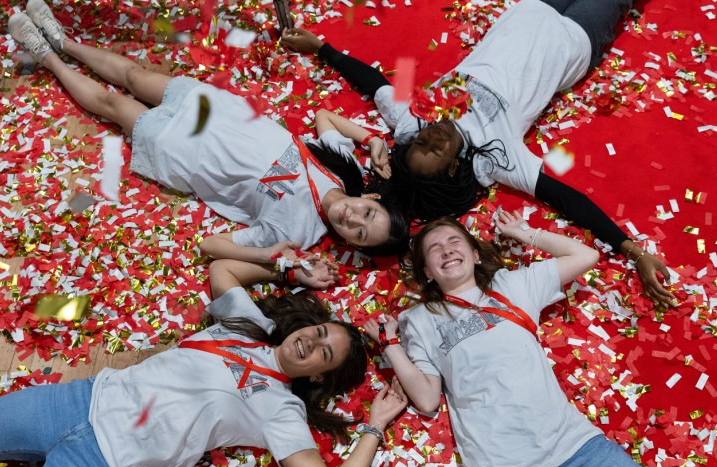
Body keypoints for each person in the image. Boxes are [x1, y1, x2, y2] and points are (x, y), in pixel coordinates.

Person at [0, 251, 408, 467]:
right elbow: (222, 267)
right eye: (317, 332)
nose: (311, 344)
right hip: (75, 403)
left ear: (318, 377)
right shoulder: (250, 325)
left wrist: (374, 425)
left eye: (323, 354)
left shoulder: (281, 410)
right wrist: (290, 271)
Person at [281, 0, 676, 307]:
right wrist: (634, 251)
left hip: (529, 12)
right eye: (435, 148)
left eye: (422, 142)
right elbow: (567, 199)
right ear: (453, 166)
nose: (433, 134)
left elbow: (376, 82)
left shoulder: (413, 121)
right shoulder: (498, 158)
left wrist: (322, 47)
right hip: (574, 40)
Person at [362, 215, 716, 467]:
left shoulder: (510, 285)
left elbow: (585, 257)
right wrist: (390, 344)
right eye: (434, 249)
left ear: (475, 254)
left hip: (576, 446)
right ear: (427, 270)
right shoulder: (420, 320)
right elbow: (425, 399)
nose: (446, 250)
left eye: (455, 241)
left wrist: (525, 233)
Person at [7, 0, 409, 260]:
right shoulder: (343, 170)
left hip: (185, 152)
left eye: (359, 234)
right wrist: (370, 138)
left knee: (114, 106)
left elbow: (212, 246)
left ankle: (47, 58)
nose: (351, 219)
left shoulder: (299, 234)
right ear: (370, 196)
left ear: (352, 246)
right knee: (135, 73)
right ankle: (65, 42)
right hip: (218, 113)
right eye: (367, 213)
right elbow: (324, 118)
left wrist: (271, 257)